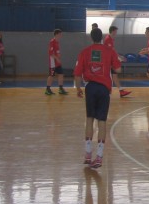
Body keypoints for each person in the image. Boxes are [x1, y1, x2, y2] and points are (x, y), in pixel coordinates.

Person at [73, 27, 122, 169]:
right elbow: (118, 69)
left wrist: (78, 89)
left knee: (89, 119)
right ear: (102, 38)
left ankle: (88, 154)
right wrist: (111, 64)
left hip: (90, 88)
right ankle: (99, 157)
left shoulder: (84, 52)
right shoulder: (110, 51)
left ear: (91, 38)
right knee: (102, 121)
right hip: (104, 89)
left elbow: (77, 74)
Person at [104, 26, 132, 98]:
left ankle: (121, 91)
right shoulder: (108, 39)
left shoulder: (111, 39)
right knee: (110, 77)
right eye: (116, 31)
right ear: (113, 31)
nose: (116, 33)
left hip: (111, 60)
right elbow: (111, 51)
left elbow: (113, 50)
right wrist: (119, 57)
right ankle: (107, 91)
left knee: (114, 76)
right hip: (108, 61)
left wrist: (119, 57)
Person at [45, 28, 69, 96]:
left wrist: (58, 57)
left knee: (61, 74)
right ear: (56, 34)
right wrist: (57, 58)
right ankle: (47, 89)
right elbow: (51, 53)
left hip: (58, 63)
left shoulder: (57, 42)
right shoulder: (52, 42)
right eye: (60, 34)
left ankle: (61, 89)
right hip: (53, 63)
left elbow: (57, 51)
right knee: (51, 75)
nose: (61, 36)